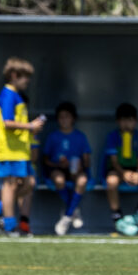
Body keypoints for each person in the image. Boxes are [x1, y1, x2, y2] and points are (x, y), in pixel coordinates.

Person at [0, 57, 44, 236]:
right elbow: (7, 123)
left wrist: (31, 128)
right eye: (25, 77)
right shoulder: (7, 95)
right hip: (8, 149)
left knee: (30, 182)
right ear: (14, 75)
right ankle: (9, 225)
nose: (27, 81)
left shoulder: (16, 96)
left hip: (19, 150)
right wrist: (30, 126)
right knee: (10, 185)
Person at [103, 102, 138, 236]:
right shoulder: (113, 137)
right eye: (123, 120)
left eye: (130, 120)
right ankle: (117, 218)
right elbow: (113, 161)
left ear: (135, 121)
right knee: (112, 181)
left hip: (135, 169)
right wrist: (124, 173)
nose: (126, 124)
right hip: (118, 169)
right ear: (118, 121)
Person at [43, 101, 92, 236]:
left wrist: (81, 164)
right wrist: (58, 164)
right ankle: (73, 210)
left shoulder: (80, 136)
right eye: (61, 117)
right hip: (57, 169)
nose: (64, 120)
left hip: (76, 171)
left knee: (82, 180)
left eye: (67, 116)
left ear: (73, 118)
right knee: (58, 179)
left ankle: (67, 216)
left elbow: (87, 161)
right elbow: (45, 160)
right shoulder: (53, 137)